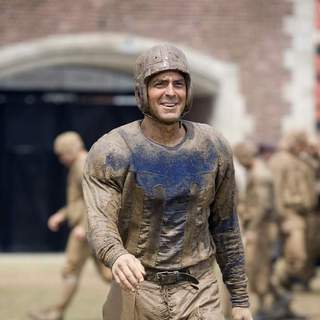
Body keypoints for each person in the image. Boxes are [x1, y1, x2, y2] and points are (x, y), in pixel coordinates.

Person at [83, 44, 252, 320]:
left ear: (188, 92)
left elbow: (225, 226)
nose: (171, 92)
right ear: (142, 92)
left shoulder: (213, 146)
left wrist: (240, 298)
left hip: (199, 290)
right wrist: (117, 255)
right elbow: (100, 221)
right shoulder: (113, 150)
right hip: (137, 288)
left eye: (178, 84)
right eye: (160, 83)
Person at [29, 132, 112, 320]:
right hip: (90, 228)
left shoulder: (82, 164)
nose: (61, 159)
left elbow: (95, 199)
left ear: (70, 150)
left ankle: (57, 312)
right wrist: (62, 214)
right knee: (108, 274)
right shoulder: (82, 163)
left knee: (71, 270)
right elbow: (79, 200)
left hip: (86, 230)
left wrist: (84, 226)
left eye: (62, 154)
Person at [268, 130, 316, 319]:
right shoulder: (280, 161)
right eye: (302, 143)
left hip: (303, 214)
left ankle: (283, 299)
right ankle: (275, 283)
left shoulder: (299, 160)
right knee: (297, 257)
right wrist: (279, 217)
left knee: (301, 260)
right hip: (289, 214)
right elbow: (277, 190)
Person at [233, 142, 275, 319]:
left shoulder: (258, 175)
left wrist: (251, 228)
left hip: (258, 229)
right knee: (255, 267)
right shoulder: (254, 172)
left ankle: (260, 308)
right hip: (256, 228)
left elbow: (261, 206)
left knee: (255, 268)